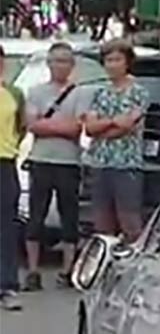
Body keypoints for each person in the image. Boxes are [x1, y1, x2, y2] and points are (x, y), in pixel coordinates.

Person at [23, 42, 86, 290]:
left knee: (69, 216)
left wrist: (47, 125)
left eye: (65, 61)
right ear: (48, 64)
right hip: (41, 160)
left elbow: (77, 128)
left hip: (69, 161)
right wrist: (60, 126)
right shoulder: (36, 92)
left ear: (72, 65)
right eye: (55, 60)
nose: (59, 65)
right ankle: (32, 271)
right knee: (35, 216)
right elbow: (32, 125)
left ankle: (68, 269)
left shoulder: (80, 93)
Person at [83, 39, 149, 243]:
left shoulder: (139, 92)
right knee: (102, 222)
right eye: (108, 60)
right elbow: (90, 128)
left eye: (117, 60)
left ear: (127, 61)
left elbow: (127, 126)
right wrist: (112, 121)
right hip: (99, 163)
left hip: (126, 164)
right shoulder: (99, 93)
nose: (112, 65)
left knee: (129, 219)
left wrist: (104, 127)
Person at [0, 45, 26, 310]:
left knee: (6, 227)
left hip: (5, 164)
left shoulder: (14, 93)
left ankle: (7, 285)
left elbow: (22, 127)